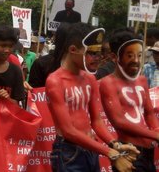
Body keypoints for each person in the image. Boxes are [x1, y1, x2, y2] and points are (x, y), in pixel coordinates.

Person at [45, 23, 138, 172]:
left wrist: (115, 144)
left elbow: (97, 121)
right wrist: (109, 152)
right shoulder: (55, 81)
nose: (98, 58)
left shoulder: (90, 78)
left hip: (91, 148)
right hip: (68, 152)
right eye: (91, 53)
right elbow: (68, 130)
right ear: (73, 50)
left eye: (99, 52)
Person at [100, 30, 159, 171]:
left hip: (149, 152)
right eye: (130, 55)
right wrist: (154, 134)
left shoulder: (142, 80)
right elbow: (119, 121)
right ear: (115, 57)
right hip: (128, 152)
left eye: (139, 55)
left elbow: (149, 113)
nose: (136, 61)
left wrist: (156, 130)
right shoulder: (108, 83)